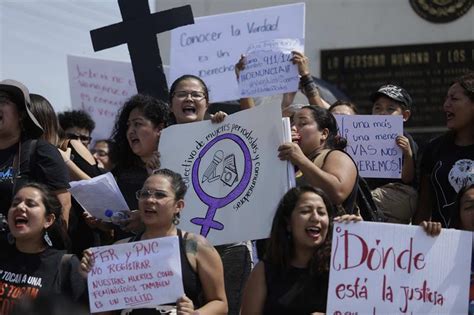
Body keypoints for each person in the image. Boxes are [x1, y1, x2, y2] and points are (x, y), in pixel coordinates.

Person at [81, 169, 228, 314]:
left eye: (160, 195)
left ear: (179, 206)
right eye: (144, 194)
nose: (150, 200)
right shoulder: (119, 251)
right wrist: (93, 276)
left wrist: (195, 314)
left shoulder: (196, 246)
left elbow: (220, 303)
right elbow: (104, 310)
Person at [168, 74, 247, 315]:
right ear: (171, 103)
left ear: (207, 102)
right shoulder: (163, 142)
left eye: (196, 94)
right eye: (182, 94)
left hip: (229, 243)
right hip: (183, 245)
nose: (189, 99)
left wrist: (225, 127)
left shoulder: (223, 127)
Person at [241, 186, 361, 314]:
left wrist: (358, 235)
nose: (315, 218)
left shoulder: (344, 268)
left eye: (321, 212)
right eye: (305, 211)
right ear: (288, 223)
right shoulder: (264, 271)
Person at [0, 183, 87, 315]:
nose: (20, 207)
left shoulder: (65, 265)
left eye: (30, 204)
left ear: (48, 220)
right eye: (15, 203)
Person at [0, 80, 71, 225]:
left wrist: (53, 243)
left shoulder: (40, 151)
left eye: (2, 101)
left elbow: (63, 203)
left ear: (21, 114)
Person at [413, 72, 474, 227]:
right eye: (446, 98)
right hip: (445, 246)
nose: (446, 105)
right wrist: (421, 232)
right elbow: (424, 206)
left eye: (454, 98)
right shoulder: (434, 149)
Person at [278, 105, 358, 214]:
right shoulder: (294, 163)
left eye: (302, 124)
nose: (293, 128)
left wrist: (300, 159)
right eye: (292, 124)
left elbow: (337, 193)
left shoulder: (336, 156)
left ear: (324, 134)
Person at [367, 84, 418, 224]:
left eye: (390, 109)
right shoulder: (363, 137)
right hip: (372, 192)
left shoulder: (405, 139)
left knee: (362, 201)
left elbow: (407, 179)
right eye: (378, 108)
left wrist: (407, 154)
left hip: (397, 193)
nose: (382, 113)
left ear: (405, 115)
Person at [29, 94, 103, 181]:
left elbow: (98, 189)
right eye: (72, 136)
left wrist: (67, 163)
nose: (78, 142)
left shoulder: (70, 148)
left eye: (84, 138)